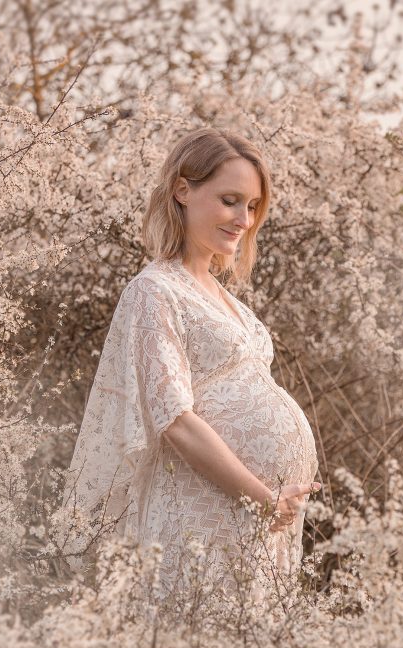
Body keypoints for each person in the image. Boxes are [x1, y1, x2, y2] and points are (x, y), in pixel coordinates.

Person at [63, 126, 322, 600]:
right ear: (183, 190)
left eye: (251, 206)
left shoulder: (228, 301)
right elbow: (174, 420)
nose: (243, 218)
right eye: (229, 200)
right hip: (202, 514)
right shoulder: (155, 290)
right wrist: (261, 497)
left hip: (255, 522)